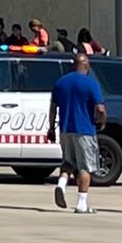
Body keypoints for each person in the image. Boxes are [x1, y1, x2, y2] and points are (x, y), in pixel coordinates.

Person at [48, 50, 106, 214]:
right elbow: (100, 108)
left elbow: (53, 107)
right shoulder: (90, 83)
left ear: (73, 65)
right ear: (86, 65)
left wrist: (51, 127)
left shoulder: (60, 82)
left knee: (68, 162)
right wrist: (102, 121)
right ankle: (82, 203)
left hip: (65, 129)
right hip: (85, 130)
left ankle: (61, 184)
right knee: (85, 167)